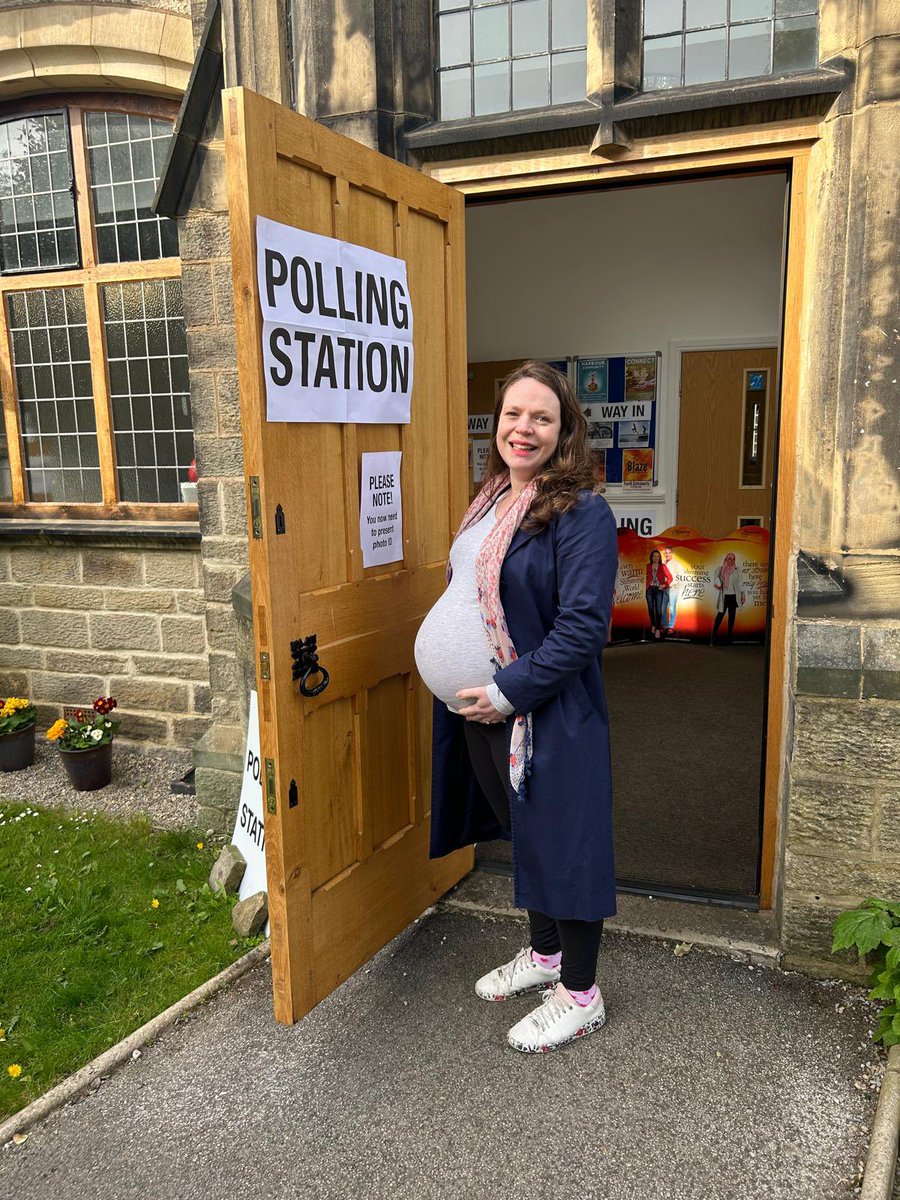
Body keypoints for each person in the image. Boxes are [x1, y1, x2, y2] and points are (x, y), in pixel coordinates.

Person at [414, 360, 618, 1054]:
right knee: (525, 832)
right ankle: (546, 955)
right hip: (480, 711)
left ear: (565, 431)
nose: (522, 428)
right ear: (496, 422)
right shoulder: (495, 497)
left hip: (543, 710)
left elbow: (586, 627)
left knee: (564, 844)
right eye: (512, 414)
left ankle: (581, 994)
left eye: (540, 417)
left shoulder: (581, 511)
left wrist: (508, 689)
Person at [712, 551, 746, 643]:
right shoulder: (720, 569)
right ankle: (713, 635)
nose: (731, 560)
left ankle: (729, 636)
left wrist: (743, 595)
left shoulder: (737, 569)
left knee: (732, 617)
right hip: (724, 597)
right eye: (729, 558)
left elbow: (740, 583)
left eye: (733, 559)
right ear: (726, 559)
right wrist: (717, 586)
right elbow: (712, 578)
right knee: (720, 615)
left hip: (734, 596)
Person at [644, 548, 672, 640]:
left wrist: (664, 585)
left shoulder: (663, 566)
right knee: (651, 609)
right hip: (649, 589)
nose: (656, 558)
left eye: (658, 556)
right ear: (651, 558)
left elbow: (670, 578)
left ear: (660, 558)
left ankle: (658, 629)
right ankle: (653, 624)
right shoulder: (648, 566)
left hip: (659, 590)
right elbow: (646, 577)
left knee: (658, 610)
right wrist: (646, 586)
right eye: (654, 556)